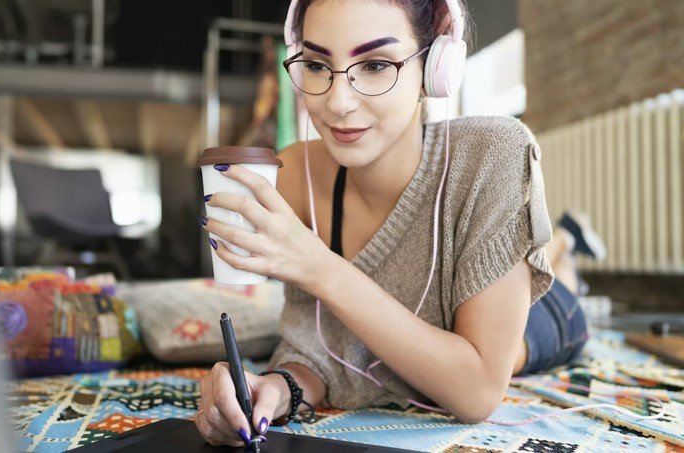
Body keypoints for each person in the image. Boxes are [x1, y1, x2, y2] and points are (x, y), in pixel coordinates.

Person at [193, 0, 599, 447]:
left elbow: (478, 391)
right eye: (315, 64)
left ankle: (561, 251)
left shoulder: (494, 153)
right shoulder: (297, 176)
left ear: (434, 67)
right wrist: (274, 388)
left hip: (542, 318)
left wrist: (319, 267)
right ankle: (561, 241)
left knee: (553, 297)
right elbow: (324, 352)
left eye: (375, 65)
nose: (338, 103)